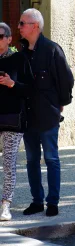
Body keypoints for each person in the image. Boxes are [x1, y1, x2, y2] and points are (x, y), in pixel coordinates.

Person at [19, 9, 74, 217]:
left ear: (35, 26)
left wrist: (60, 103)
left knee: (51, 159)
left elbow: (66, 79)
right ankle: (36, 201)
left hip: (48, 115)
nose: (19, 27)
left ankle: (53, 202)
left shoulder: (52, 49)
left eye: (22, 23)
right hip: (28, 116)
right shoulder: (22, 53)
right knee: (32, 160)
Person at [0, 22, 33, 221]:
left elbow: (31, 88)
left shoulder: (19, 59)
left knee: (9, 163)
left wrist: (12, 84)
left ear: (9, 38)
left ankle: (6, 205)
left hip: (13, 119)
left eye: (0, 35)